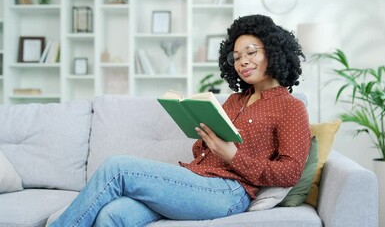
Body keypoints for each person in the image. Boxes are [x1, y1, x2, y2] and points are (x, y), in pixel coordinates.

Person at [49, 14, 311, 227]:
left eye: (251, 52)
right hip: (195, 182)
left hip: (229, 193)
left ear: (274, 51)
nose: (243, 62)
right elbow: (204, 153)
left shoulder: (291, 108)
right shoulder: (235, 101)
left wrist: (232, 155)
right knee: (113, 215)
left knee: (117, 168)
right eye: (237, 57)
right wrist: (204, 137)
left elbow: (289, 172)